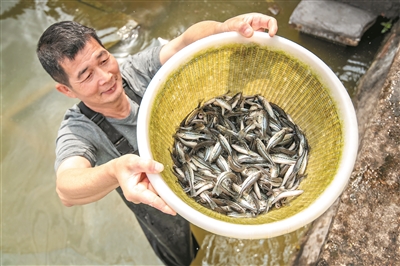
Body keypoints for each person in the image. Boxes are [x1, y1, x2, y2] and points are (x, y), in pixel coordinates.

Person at [37, 13, 278, 265]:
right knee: (185, 256)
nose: (106, 77)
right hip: (156, 205)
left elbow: (184, 43)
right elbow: (66, 188)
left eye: (104, 59)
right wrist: (114, 171)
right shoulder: (78, 129)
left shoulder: (135, 71)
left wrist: (223, 28)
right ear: (66, 90)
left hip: (203, 169)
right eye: (86, 76)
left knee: (230, 221)